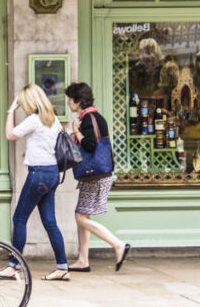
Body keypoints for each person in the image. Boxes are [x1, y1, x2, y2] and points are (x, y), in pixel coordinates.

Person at [0, 84, 68, 281]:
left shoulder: (34, 119)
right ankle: (62, 267)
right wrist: (31, 152)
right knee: (50, 222)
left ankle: (13, 266)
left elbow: (10, 135)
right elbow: (49, 145)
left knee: (19, 219)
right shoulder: (53, 119)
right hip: (52, 174)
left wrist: (10, 110)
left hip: (39, 175)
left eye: (24, 103)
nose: (23, 107)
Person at [66, 82, 131, 272]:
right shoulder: (95, 117)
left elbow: (90, 146)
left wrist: (76, 131)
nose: (69, 103)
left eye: (70, 99)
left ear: (78, 101)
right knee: (82, 214)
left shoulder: (88, 119)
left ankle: (118, 245)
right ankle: (83, 260)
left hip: (95, 175)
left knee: (80, 217)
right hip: (96, 175)